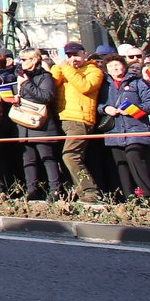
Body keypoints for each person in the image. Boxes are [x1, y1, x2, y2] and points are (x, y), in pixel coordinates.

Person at [99, 55, 150, 203]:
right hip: (114, 131)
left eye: (117, 65)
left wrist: (133, 110)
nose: (114, 68)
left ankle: (148, 196)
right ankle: (129, 199)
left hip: (136, 129)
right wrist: (105, 109)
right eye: (111, 66)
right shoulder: (104, 84)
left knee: (134, 156)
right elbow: (97, 104)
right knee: (121, 165)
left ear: (124, 66)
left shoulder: (137, 82)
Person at [50, 41, 105, 200]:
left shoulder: (94, 71)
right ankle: (74, 192)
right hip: (61, 118)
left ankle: (91, 192)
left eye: (76, 55)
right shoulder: (64, 68)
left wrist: (65, 67)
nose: (73, 59)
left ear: (84, 53)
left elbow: (84, 87)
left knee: (70, 156)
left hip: (80, 119)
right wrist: (58, 66)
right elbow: (52, 84)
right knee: (63, 158)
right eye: (69, 55)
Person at [10, 47, 63, 199]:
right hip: (23, 123)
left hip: (41, 124)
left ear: (34, 60)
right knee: (28, 159)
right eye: (20, 59)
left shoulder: (45, 77)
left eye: (24, 59)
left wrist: (26, 84)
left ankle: (55, 190)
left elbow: (46, 97)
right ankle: (32, 191)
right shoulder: (21, 76)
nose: (21, 62)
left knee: (47, 158)